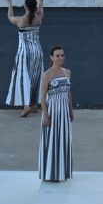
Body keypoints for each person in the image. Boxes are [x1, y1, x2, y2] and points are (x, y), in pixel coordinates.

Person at [4, 0, 47, 117]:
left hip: (24, 53)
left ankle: (27, 105)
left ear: (26, 6)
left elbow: (10, 17)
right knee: (35, 77)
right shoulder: (39, 17)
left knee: (23, 77)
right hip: (38, 51)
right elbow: (41, 0)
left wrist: (10, 4)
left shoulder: (20, 20)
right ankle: (34, 104)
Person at [37, 46, 74, 183]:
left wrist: (70, 110)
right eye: (57, 56)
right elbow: (42, 97)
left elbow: (69, 92)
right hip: (52, 110)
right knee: (52, 139)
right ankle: (50, 173)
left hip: (64, 111)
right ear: (51, 57)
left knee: (63, 139)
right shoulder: (47, 75)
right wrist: (45, 115)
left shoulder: (67, 72)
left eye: (62, 55)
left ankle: (61, 172)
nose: (60, 58)